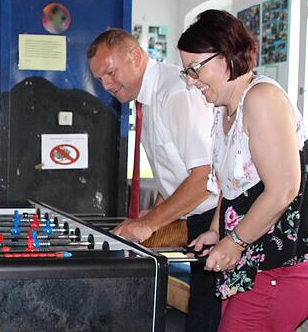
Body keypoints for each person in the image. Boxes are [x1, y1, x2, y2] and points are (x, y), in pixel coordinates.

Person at [178, 10, 308, 331]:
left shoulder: (262, 98)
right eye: (186, 73)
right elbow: (232, 186)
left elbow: (285, 188)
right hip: (254, 262)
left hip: (284, 266)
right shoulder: (224, 110)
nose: (191, 82)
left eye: (195, 70)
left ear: (227, 56)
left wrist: (234, 241)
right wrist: (217, 230)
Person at [87, 28, 221, 331]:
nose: (107, 85)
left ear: (135, 56)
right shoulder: (147, 98)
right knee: (201, 318)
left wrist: (148, 224)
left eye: (110, 72)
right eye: (100, 80)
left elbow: (204, 178)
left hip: (218, 220)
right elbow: (172, 171)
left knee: (208, 322)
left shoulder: (175, 92)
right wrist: (152, 213)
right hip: (198, 220)